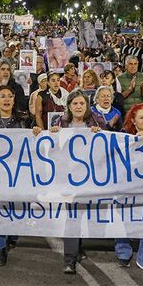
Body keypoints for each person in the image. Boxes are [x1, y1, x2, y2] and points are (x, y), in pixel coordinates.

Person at [0, 85, 42, 265]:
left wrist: (36, 133)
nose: (6, 99)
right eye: (2, 96)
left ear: (14, 99)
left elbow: (32, 145)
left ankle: (11, 234)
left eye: (10, 96)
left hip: (16, 173)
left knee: (14, 209)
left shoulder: (25, 119)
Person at [50, 89, 107, 274]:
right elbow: (52, 148)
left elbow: (109, 144)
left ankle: (77, 248)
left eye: (82, 103)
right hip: (69, 178)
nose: (79, 106)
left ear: (87, 105)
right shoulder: (60, 122)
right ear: (69, 106)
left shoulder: (97, 121)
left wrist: (101, 133)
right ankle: (69, 259)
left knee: (85, 216)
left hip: (91, 177)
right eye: (75, 103)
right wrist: (53, 134)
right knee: (72, 217)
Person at [114, 103, 143, 276]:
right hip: (126, 187)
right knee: (124, 219)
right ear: (133, 120)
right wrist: (135, 143)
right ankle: (123, 251)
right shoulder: (123, 136)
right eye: (141, 117)